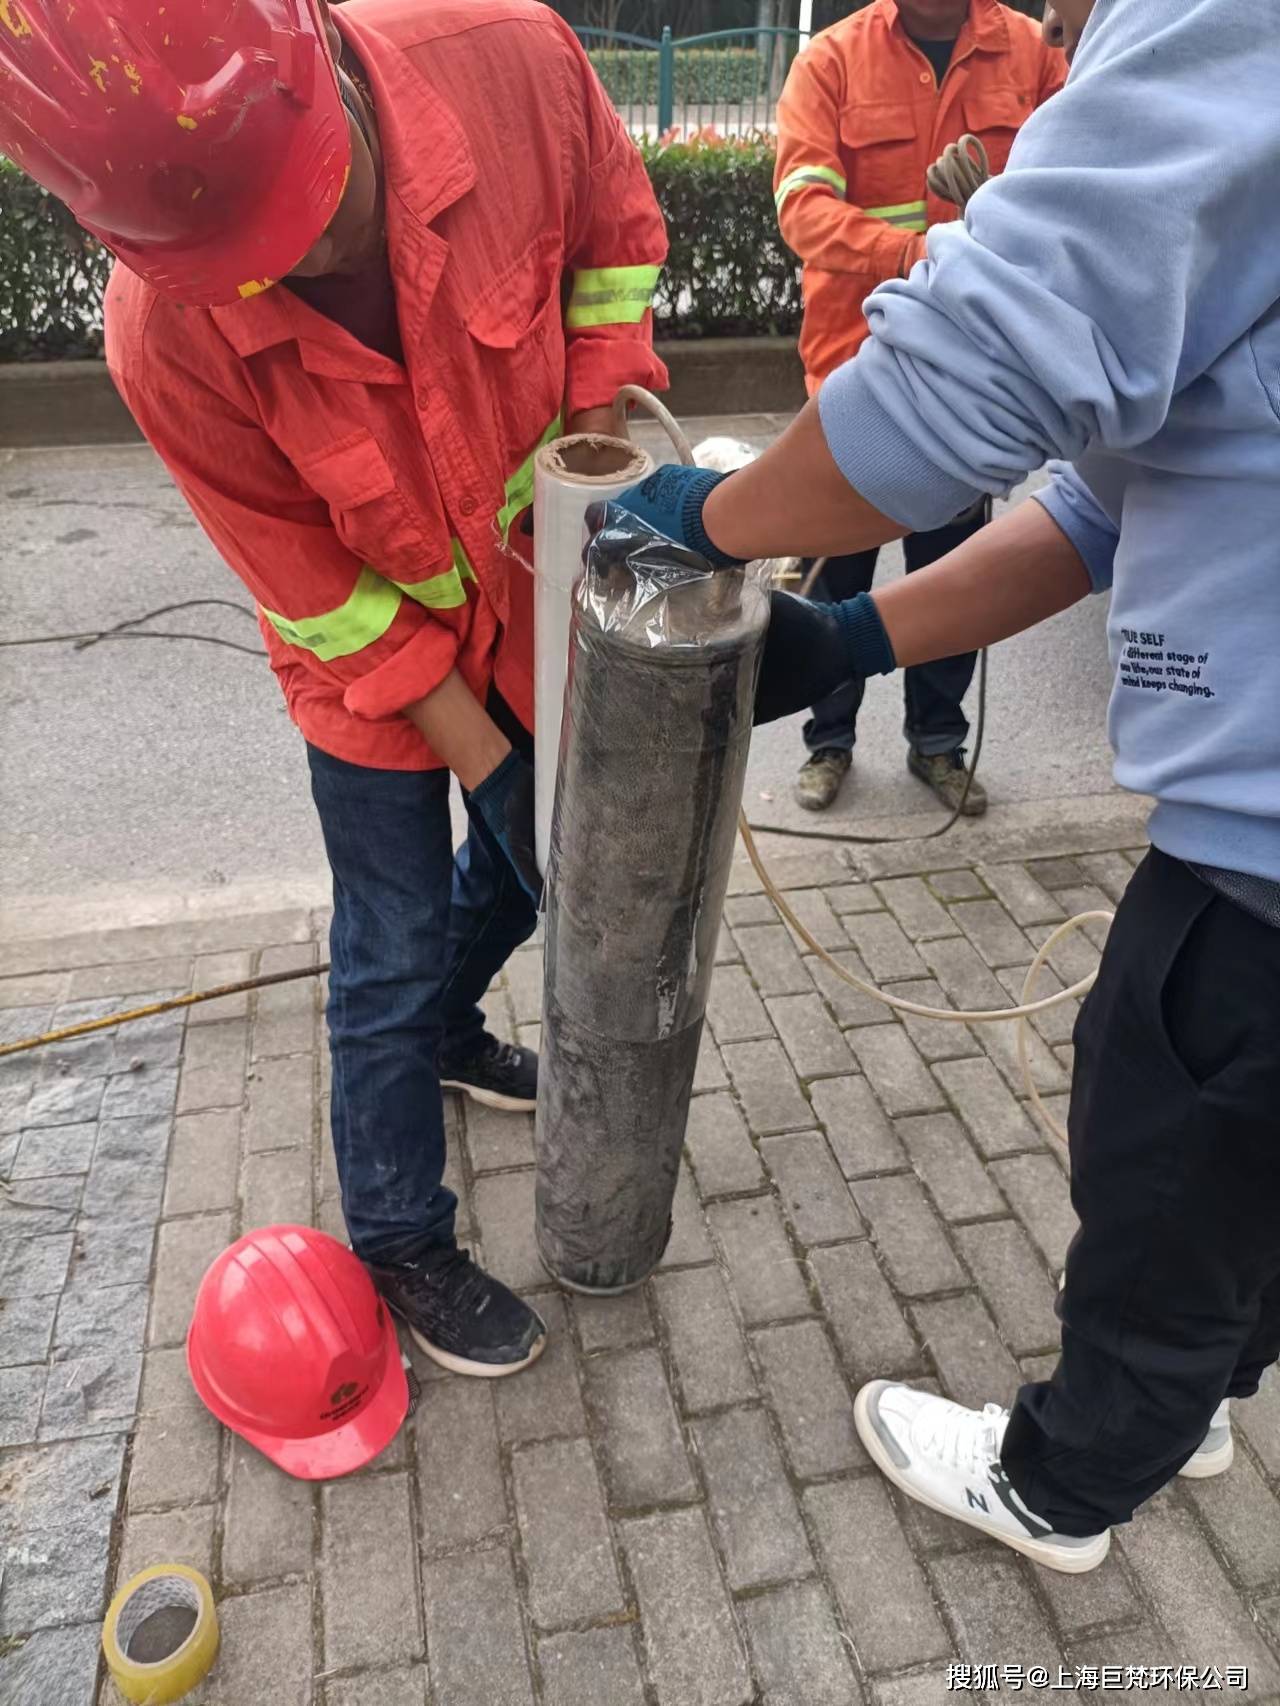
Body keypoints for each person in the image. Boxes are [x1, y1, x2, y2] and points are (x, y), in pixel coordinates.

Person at [606, 0, 1280, 1570]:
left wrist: (716, 520)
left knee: (1168, 1145)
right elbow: (1112, 504)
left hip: (1258, 878)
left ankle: (1071, 1480)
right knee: (1249, 1187)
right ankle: (1198, 1385)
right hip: (859, 375)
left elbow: (977, 368)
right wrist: (844, 638)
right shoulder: (847, 59)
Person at [0, 0, 667, 1377]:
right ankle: (399, 1233)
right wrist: (487, 759)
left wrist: (592, 452)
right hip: (366, 667)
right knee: (387, 934)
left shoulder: (513, 59)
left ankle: (450, 1032)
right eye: (261, 258)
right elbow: (318, 586)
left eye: (328, 206)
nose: (309, 256)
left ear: (326, 65)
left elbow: (610, 246)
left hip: (530, 583)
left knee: (524, 865)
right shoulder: (163, 338)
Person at [774, 0, 1064, 813]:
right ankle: (828, 742)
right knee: (837, 582)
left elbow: (1079, 182)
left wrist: (999, 208)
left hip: (974, 376)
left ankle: (937, 744)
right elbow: (802, 209)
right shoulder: (832, 61)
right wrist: (925, 252)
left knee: (954, 575)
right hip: (854, 370)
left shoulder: (1032, 53)